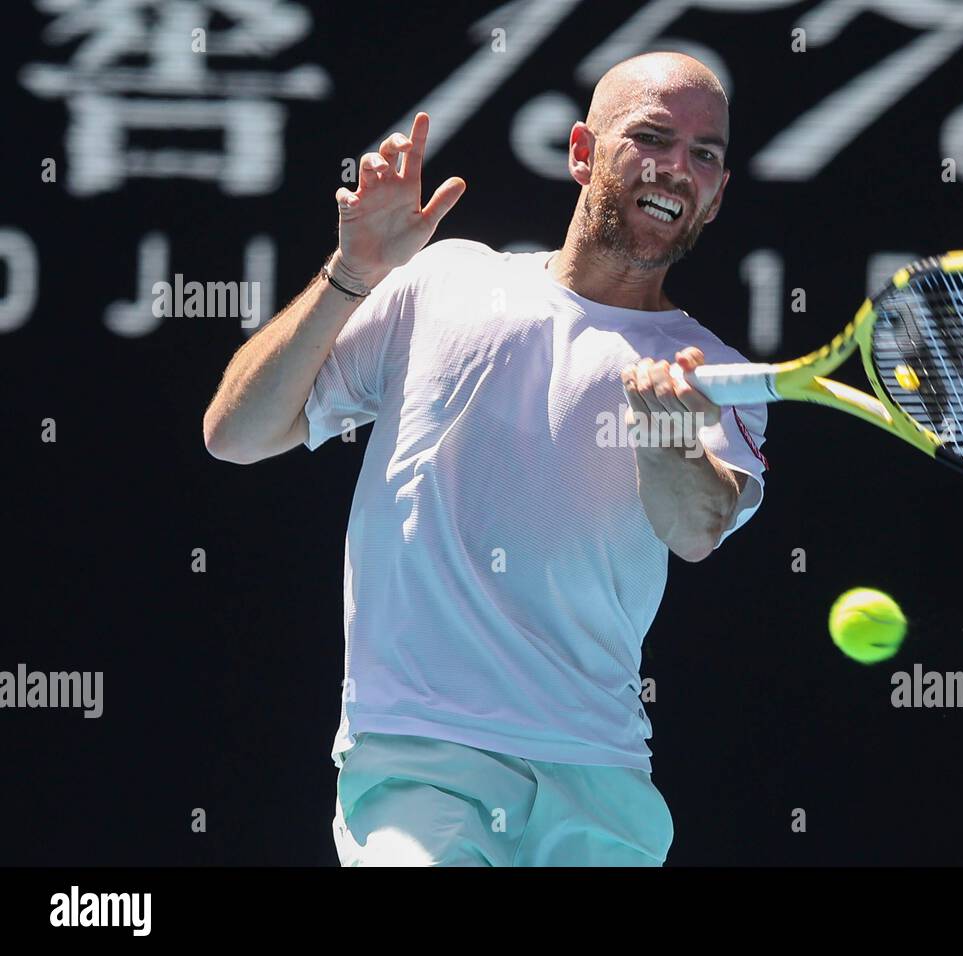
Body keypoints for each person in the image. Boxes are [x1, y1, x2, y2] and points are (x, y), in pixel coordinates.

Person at [202, 52, 769, 866]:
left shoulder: (711, 372)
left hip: (599, 774)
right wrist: (352, 273)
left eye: (704, 154)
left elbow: (696, 529)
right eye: (651, 136)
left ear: (716, 194)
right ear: (582, 153)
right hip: (418, 759)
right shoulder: (443, 281)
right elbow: (236, 433)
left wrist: (669, 436)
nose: (676, 166)